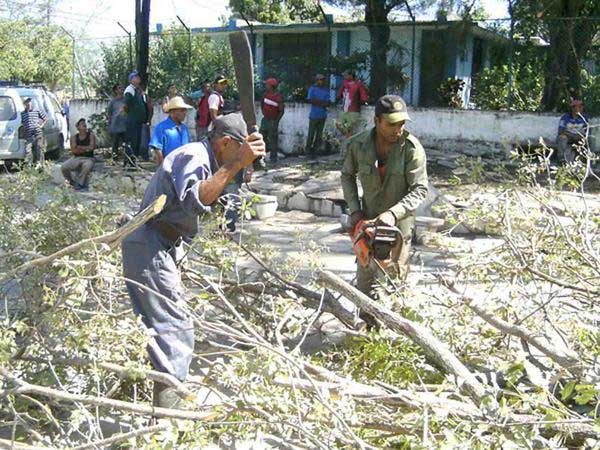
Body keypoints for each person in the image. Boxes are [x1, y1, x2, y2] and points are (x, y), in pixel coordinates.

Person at [121, 114, 265, 407]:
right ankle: (166, 421)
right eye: (238, 150)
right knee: (176, 329)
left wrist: (240, 166)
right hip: (149, 244)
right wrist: (236, 163)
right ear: (225, 143)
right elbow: (194, 200)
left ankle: (154, 397)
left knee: (160, 326)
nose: (241, 157)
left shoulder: (208, 159)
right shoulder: (195, 156)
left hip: (157, 245)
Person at [341, 95, 428, 308]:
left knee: (393, 287)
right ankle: (366, 329)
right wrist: (355, 211)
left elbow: (420, 189)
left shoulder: (411, 149)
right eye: (391, 124)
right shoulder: (358, 145)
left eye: (402, 124)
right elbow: (347, 176)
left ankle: (390, 333)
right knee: (366, 285)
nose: (397, 129)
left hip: (398, 230)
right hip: (367, 226)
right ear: (376, 121)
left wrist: (393, 213)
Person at [149, 96, 192, 166]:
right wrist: (163, 169)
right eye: (181, 111)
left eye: (185, 110)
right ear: (173, 112)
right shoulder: (161, 128)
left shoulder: (184, 128)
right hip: (169, 168)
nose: (185, 113)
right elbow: (158, 150)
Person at [61, 118, 96, 191]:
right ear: (78, 127)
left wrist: (79, 147)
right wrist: (86, 149)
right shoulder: (74, 137)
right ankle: (70, 182)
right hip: (76, 157)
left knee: (87, 166)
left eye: (85, 124)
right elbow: (74, 151)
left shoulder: (91, 135)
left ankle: (80, 183)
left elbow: (92, 147)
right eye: (82, 124)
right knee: (64, 166)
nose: (84, 125)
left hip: (88, 158)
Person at [337, 70, 368, 137]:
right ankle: (347, 140)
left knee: (350, 129)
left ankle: (349, 143)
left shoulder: (358, 84)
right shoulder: (344, 83)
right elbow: (339, 94)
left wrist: (359, 102)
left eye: (346, 75)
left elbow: (364, 97)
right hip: (344, 109)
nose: (344, 77)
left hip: (353, 111)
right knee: (339, 125)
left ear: (351, 76)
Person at [260, 78, 285, 163]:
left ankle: (273, 158)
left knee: (273, 139)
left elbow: (281, 111)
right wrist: (264, 113)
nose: (265, 86)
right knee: (261, 137)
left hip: (273, 120)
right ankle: (260, 157)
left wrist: (276, 121)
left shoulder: (278, 97)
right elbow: (262, 105)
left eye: (267, 84)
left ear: (271, 86)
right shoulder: (265, 95)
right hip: (265, 119)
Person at [123, 71, 146, 163]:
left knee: (137, 142)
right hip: (132, 121)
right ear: (131, 80)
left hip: (138, 121)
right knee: (132, 141)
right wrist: (131, 115)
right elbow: (125, 106)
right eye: (136, 77)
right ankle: (129, 162)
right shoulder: (130, 90)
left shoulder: (137, 90)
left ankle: (134, 161)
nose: (138, 78)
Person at [557, 98, 589, 163]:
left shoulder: (584, 118)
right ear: (573, 108)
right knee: (562, 138)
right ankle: (562, 159)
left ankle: (582, 160)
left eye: (581, 106)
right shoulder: (565, 117)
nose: (581, 108)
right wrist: (572, 135)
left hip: (579, 138)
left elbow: (587, 131)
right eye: (579, 107)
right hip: (568, 137)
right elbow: (561, 131)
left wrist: (580, 136)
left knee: (585, 141)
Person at [306, 74, 330, 158]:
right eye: (320, 80)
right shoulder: (312, 89)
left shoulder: (326, 90)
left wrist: (317, 102)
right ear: (316, 80)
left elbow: (327, 103)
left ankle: (315, 151)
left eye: (322, 80)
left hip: (322, 115)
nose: (321, 81)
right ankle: (308, 151)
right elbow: (310, 100)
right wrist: (322, 103)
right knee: (311, 134)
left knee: (319, 135)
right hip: (314, 115)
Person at [21, 98, 48, 165]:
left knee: (39, 148)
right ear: (25, 104)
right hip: (28, 135)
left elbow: (45, 118)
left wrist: (41, 126)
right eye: (27, 102)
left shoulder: (36, 110)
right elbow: (23, 123)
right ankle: (29, 166)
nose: (29, 103)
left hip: (37, 133)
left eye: (29, 101)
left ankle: (41, 164)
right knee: (28, 150)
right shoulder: (23, 113)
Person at [107, 84, 127, 159]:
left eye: (122, 87)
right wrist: (109, 125)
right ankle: (114, 159)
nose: (121, 89)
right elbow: (109, 114)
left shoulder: (126, 100)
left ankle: (127, 159)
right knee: (115, 144)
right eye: (119, 88)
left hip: (125, 125)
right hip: (115, 125)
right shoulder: (112, 102)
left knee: (126, 144)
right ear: (115, 91)